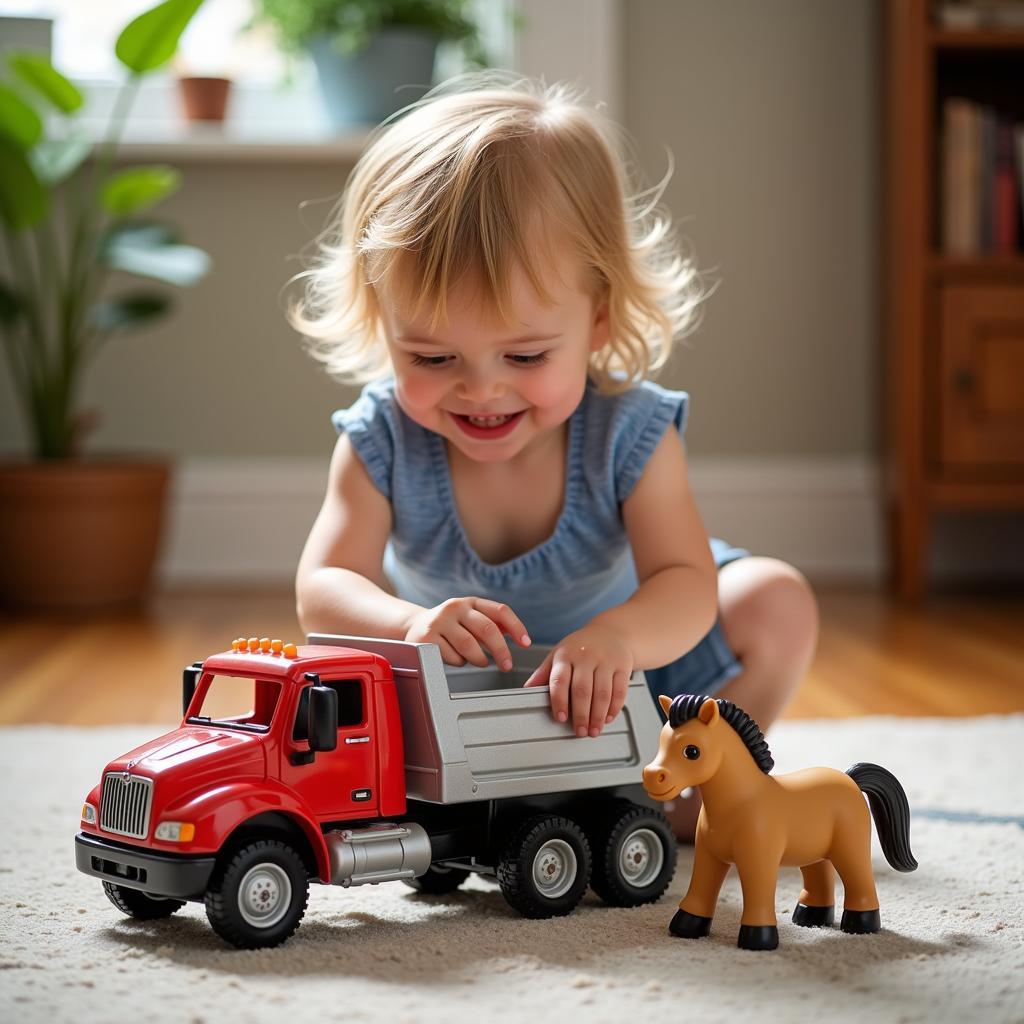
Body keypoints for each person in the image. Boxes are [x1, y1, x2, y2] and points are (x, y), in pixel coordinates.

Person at [293, 73, 818, 840]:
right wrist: (408, 624)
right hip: (465, 689)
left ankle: (697, 793)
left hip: (635, 671)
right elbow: (324, 586)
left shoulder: (631, 432)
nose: (482, 389)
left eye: (527, 354)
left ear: (598, 319)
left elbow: (685, 582)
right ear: (384, 322)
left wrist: (618, 639)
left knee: (779, 603)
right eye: (433, 358)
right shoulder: (381, 437)